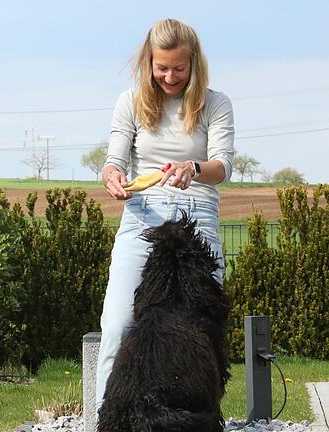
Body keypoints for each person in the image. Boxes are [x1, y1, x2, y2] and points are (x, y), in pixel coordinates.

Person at [95, 18, 235, 411]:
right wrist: (113, 177)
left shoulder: (216, 103)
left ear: (194, 65)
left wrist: (193, 167)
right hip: (143, 218)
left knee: (201, 331)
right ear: (149, 62)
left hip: (198, 215)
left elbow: (222, 166)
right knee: (119, 326)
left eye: (179, 68)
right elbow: (113, 161)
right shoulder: (130, 102)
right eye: (162, 67)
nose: (170, 76)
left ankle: (198, 416)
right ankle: (111, 418)